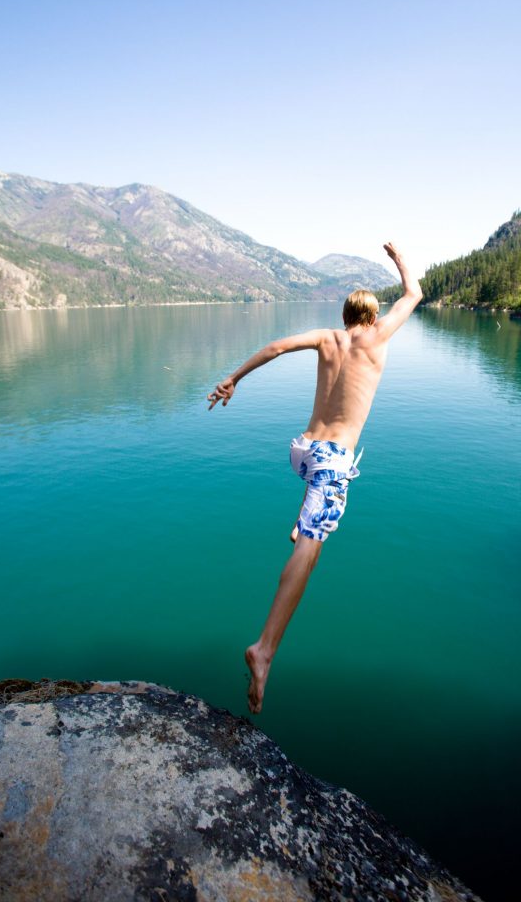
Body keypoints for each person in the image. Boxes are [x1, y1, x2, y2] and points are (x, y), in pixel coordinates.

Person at [207, 242, 422, 713]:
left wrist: (233, 379)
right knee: (310, 550)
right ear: (372, 317)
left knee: (319, 506)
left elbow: (275, 347)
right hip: (331, 461)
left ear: (345, 315)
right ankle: (264, 650)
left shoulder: (328, 338)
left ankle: (304, 519)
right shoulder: (377, 337)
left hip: (301, 451)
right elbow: (414, 293)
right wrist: (399, 259)